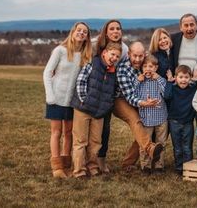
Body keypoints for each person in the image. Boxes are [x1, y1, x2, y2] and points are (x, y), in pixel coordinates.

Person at [43, 21, 92, 178]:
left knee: (69, 132)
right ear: (73, 32)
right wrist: (49, 95)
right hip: (56, 97)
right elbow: (47, 73)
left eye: (84, 32)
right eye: (79, 30)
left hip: (73, 100)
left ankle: (67, 165)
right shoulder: (60, 51)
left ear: (87, 37)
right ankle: (57, 167)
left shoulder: (85, 54)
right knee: (56, 132)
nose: (81, 33)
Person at [70, 41, 122, 178]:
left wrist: (107, 104)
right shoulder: (93, 63)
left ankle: (92, 166)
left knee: (95, 142)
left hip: (99, 112)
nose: (114, 58)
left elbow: (115, 90)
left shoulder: (113, 72)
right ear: (105, 53)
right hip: (83, 109)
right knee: (80, 141)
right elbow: (81, 81)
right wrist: (83, 100)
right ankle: (79, 170)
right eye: (113, 54)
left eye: (117, 57)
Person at [114, 40, 164, 171]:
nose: (137, 59)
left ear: (144, 54)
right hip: (120, 99)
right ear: (129, 54)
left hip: (141, 99)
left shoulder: (146, 64)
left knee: (144, 130)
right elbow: (130, 97)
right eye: (134, 56)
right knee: (136, 121)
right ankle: (150, 148)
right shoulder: (122, 70)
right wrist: (144, 103)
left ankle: (128, 163)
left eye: (140, 56)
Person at [95, 19, 129, 173]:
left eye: (118, 28)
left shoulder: (125, 49)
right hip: (93, 89)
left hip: (109, 92)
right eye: (112, 28)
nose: (115, 31)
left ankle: (101, 159)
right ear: (106, 31)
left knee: (105, 127)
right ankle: (87, 159)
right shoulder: (95, 43)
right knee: (90, 127)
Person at [135, 53, 169, 173]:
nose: (148, 69)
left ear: (156, 68)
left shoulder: (160, 80)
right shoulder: (140, 81)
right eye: (145, 66)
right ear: (141, 68)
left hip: (160, 117)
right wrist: (137, 81)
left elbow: (166, 93)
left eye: (151, 66)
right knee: (145, 144)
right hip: (146, 118)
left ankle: (159, 165)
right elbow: (133, 95)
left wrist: (159, 79)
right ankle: (146, 165)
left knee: (161, 143)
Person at [164, 65, 197, 175]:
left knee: (187, 147)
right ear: (176, 78)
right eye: (181, 77)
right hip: (174, 122)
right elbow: (166, 96)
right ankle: (179, 167)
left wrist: (196, 81)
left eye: (186, 77)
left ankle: (188, 167)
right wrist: (169, 82)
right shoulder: (172, 88)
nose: (183, 80)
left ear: (190, 78)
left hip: (188, 122)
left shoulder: (192, 89)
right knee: (177, 147)